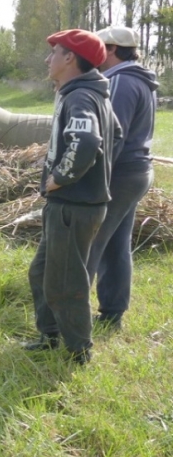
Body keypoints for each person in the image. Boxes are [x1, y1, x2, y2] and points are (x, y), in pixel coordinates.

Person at [25, 29, 120, 365]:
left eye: (55, 52)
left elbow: (88, 142)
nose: (48, 59)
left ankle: (79, 351)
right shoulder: (89, 93)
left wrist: (60, 178)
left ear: (70, 59)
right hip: (74, 205)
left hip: (73, 206)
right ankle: (49, 335)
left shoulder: (81, 96)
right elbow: (117, 136)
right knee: (41, 274)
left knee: (67, 282)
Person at [85, 26, 157, 330]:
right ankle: (113, 313)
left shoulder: (120, 82)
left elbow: (112, 136)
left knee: (88, 242)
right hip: (137, 172)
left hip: (119, 173)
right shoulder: (139, 79)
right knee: (116, 243)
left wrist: (89, 179)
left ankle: (66, 317)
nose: (94, 56)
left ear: (112, 50)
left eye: (100, 48)